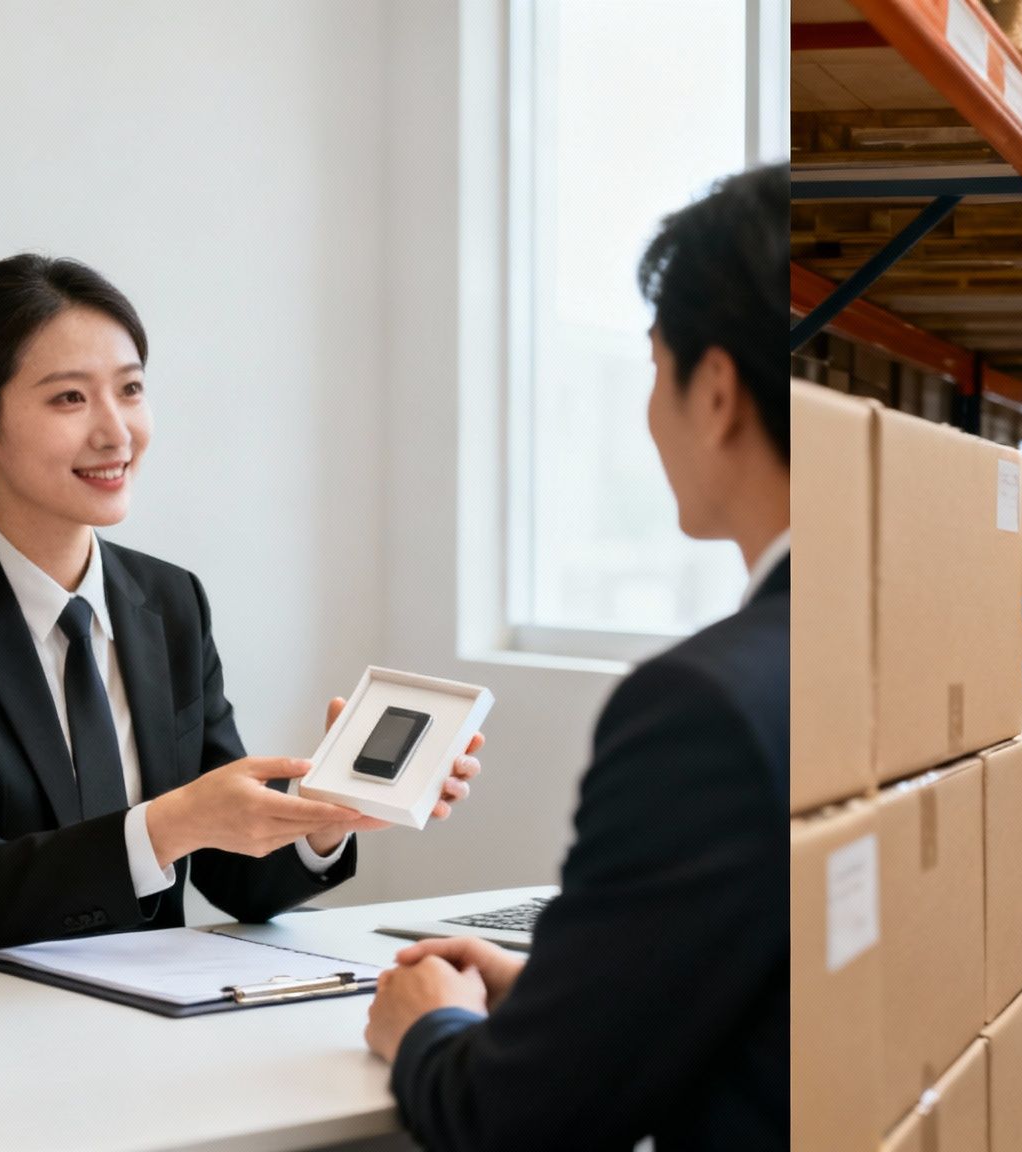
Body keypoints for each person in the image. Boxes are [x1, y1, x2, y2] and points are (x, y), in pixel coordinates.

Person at [0, 255, 483, 963]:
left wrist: (324, 814)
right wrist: (168, 826)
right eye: (69, 399)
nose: (116, 433)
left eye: (130, 389)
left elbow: (240, 880)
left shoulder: (169, 602)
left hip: (137, 1004)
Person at [362, 163, 789, 1150]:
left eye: (652, 369)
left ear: (715, 389)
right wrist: (576, 1004)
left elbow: (520, 1124)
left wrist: (425, 1025)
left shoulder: (704, 707)